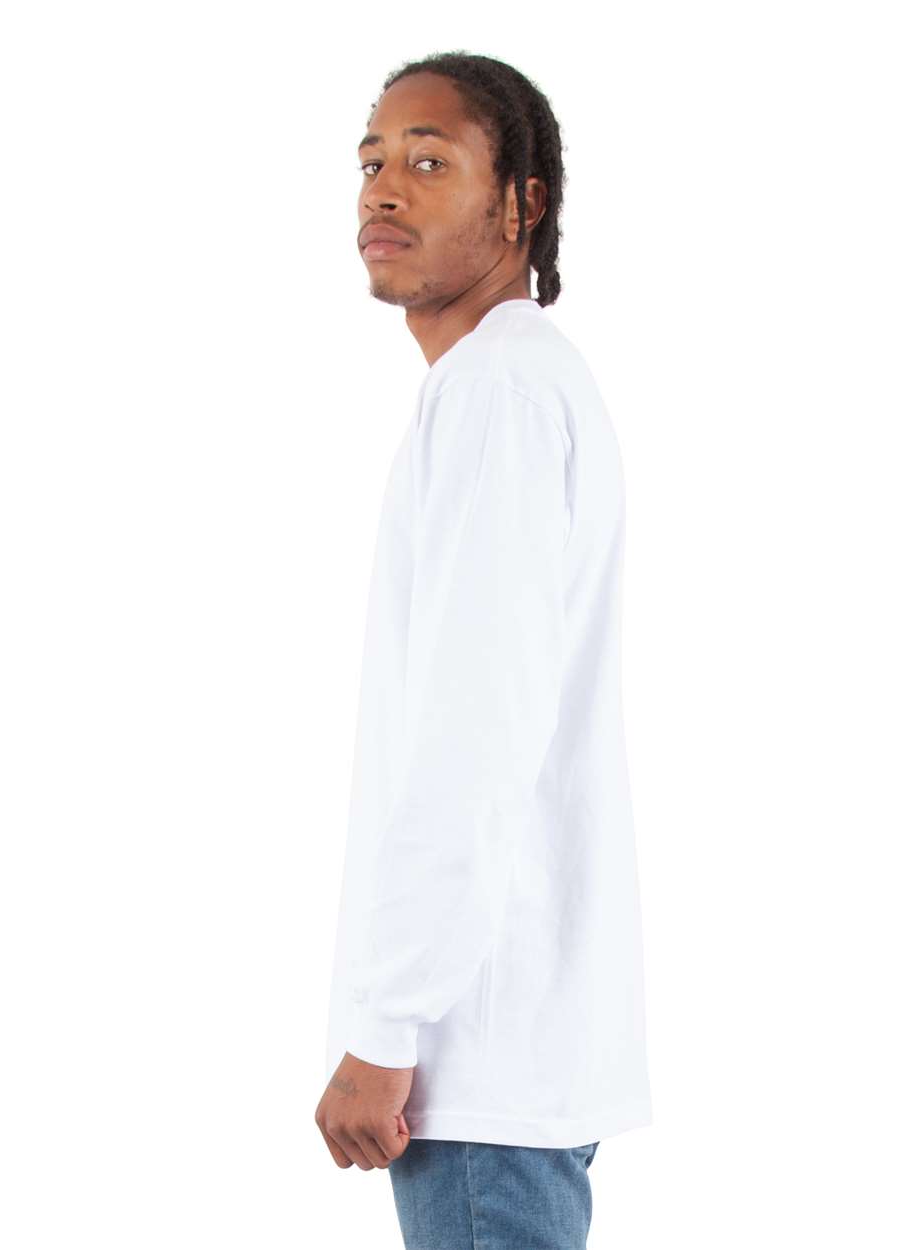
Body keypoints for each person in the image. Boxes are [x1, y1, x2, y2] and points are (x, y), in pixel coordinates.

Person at [315, 51, 653, 1249]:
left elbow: (474, 729)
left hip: (476, 1062)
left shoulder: (497, 394)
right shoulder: (503, 385)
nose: (382, 188)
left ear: (521, 203)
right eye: (371, 160)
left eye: (428, 160)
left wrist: (385, 1026)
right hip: (502, 1057)